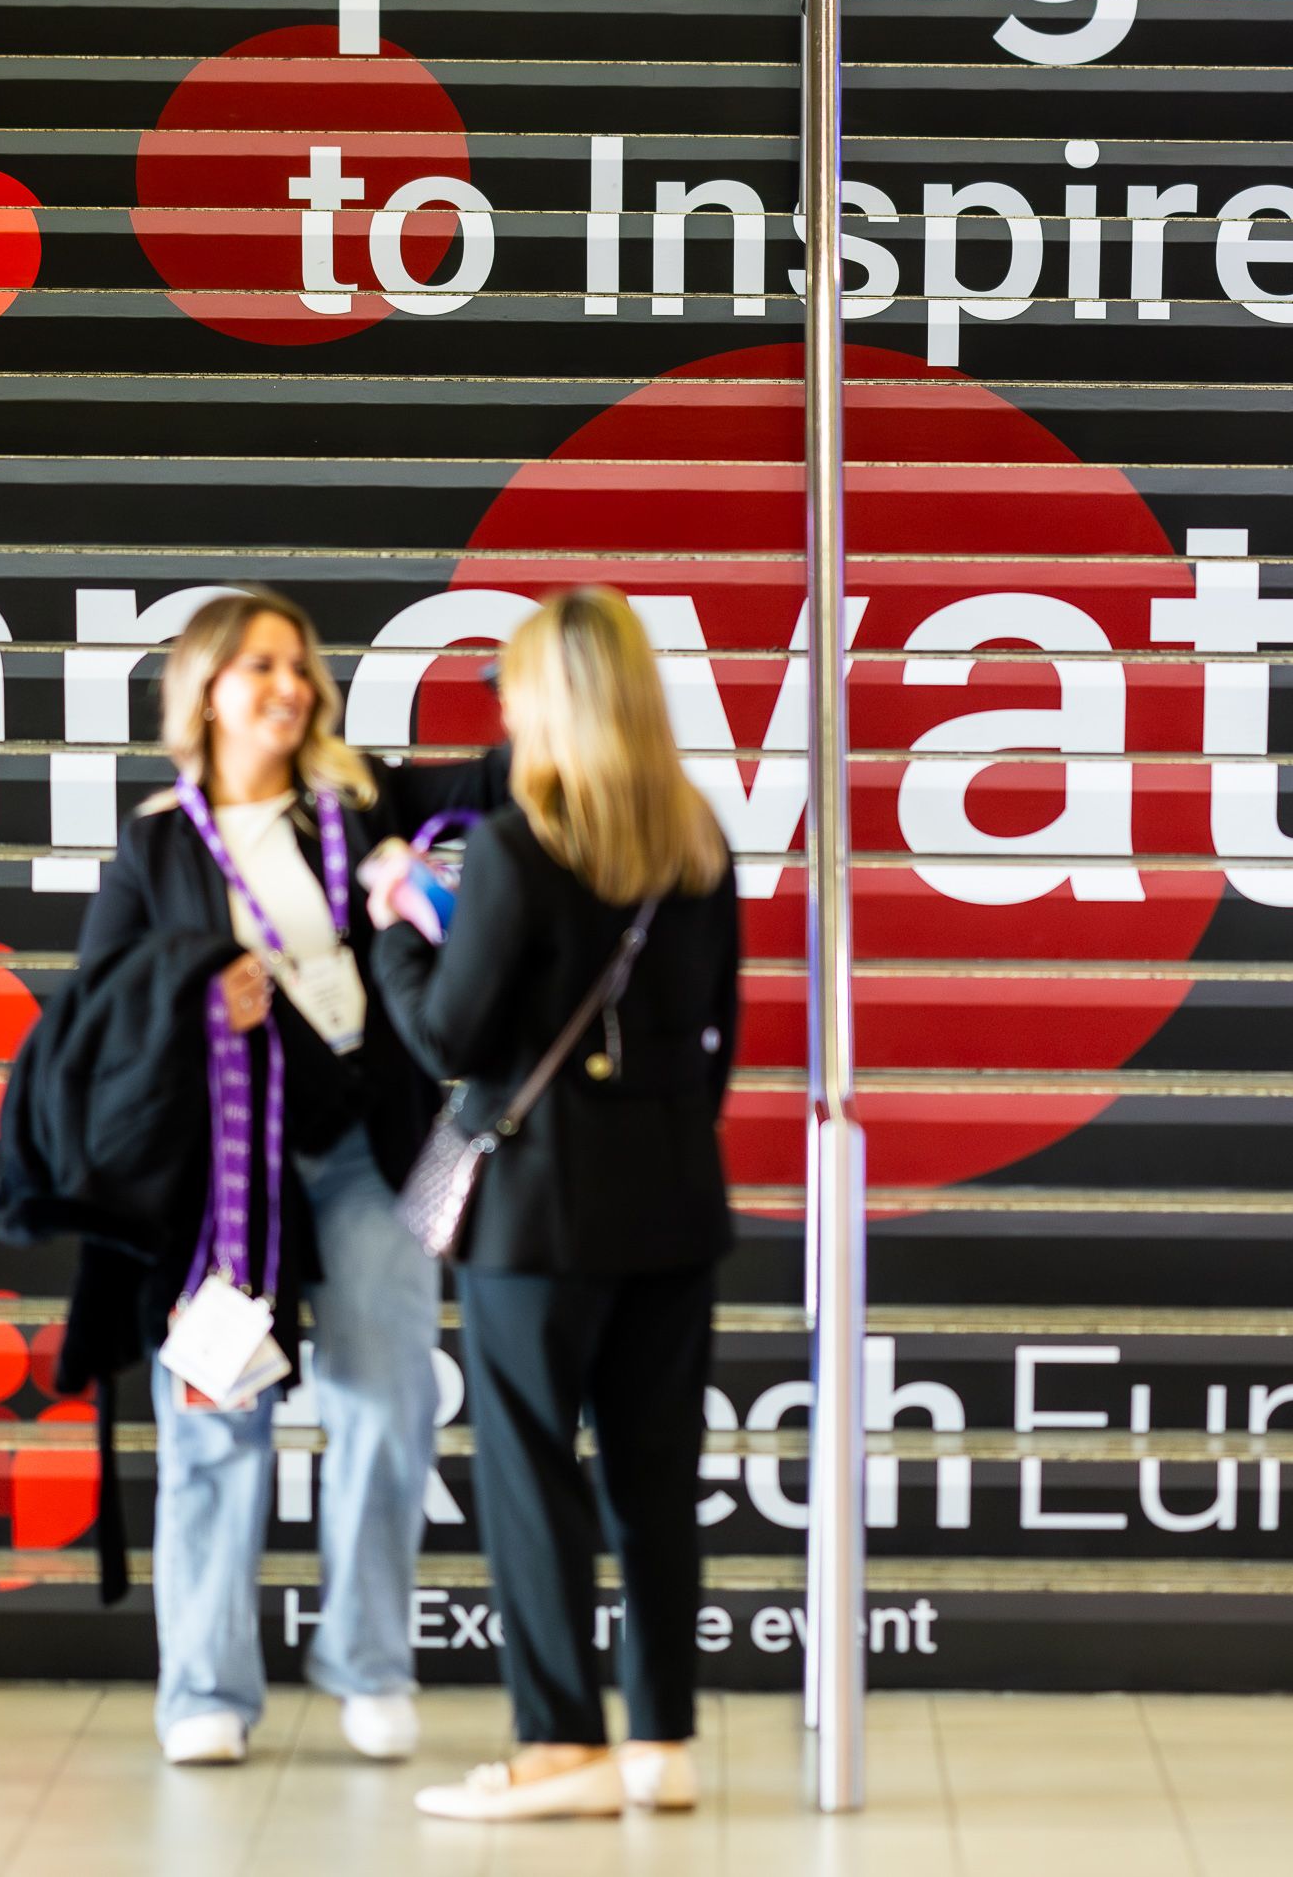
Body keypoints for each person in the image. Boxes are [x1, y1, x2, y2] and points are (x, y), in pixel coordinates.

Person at [38, 589, 484, 1770]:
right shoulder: (157, 840)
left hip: (368, 1150)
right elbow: (97, 1006)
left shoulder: (361, 796)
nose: (289, 685)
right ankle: (204, 1689)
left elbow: (489, 787)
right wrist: (191, 994)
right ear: (206, 689)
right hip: (225, 1178)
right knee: (214, 1420)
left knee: (388, 1406)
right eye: (261, 667)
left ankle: (371, 1667)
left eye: (300, 666)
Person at [366, 588, 741, 1824]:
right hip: (679, 1199)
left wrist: (395, 932)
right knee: (654, 1477)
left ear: (551, 701)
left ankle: (559, 1746)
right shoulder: (695, 840)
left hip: (539, 1211)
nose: (504, 710)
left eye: (512, 688)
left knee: (533, 1471)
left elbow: (451, 1036)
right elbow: (717, 1043)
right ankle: (664, 1740)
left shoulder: (524, 845)